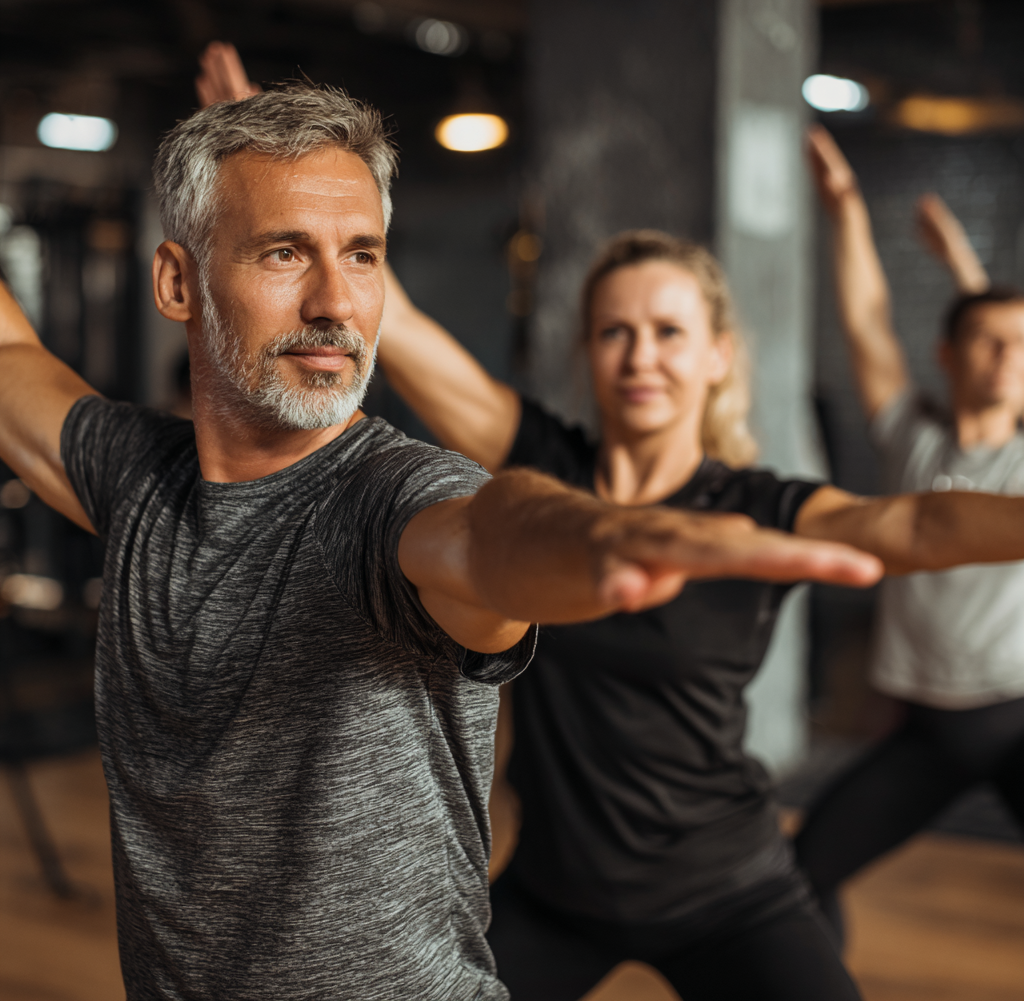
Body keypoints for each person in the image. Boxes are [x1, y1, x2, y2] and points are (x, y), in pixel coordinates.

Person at [0, 81, 888, 1001]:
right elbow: (9, 359)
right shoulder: (136, 478)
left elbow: (489, 536)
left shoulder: (396, 496)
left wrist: (595, 539)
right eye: (283, 253)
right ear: (179, 282)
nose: (335, 302)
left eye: (362, 255)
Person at [374, 223, 1024, 1001]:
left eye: (669, 333)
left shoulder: (759, 508)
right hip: (554, 892)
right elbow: (398, 322)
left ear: (718, 354)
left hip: (725, 891)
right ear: (588, 349)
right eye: (616, 332)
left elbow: (916, 525)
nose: (641, 357)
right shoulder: (540, 473)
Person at [794, 125, 1024, 941]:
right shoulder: (914, 440)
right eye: (989, 344)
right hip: (927, 726)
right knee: (806, 869)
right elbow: (866, 319)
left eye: (1022, 347)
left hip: (1014, 717)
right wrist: (849, 208)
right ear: (949, 355)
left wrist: (968, 271)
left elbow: (998, 339)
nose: (1007, 359)